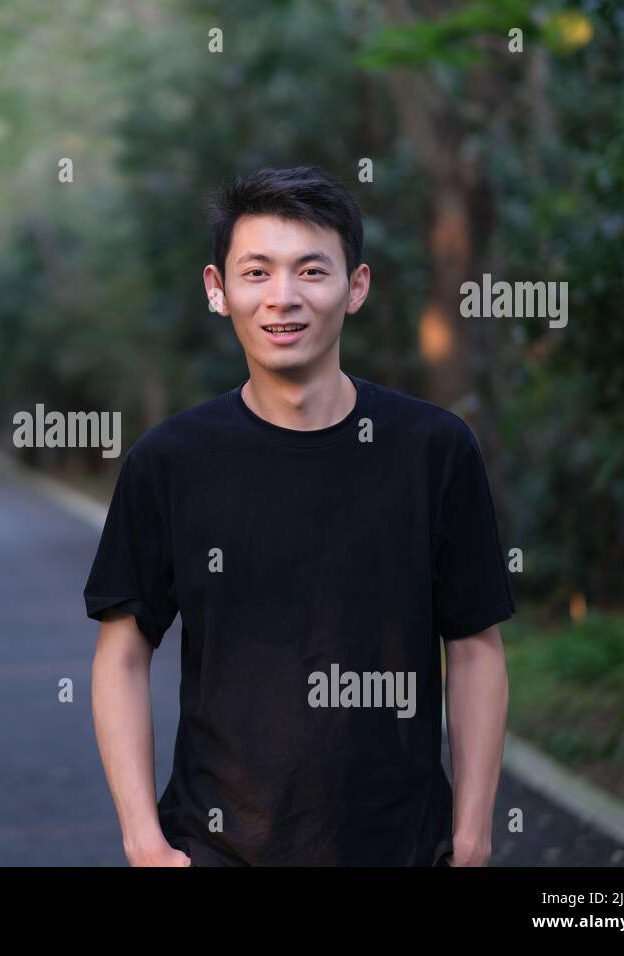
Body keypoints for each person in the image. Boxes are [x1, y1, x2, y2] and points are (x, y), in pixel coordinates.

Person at [83, 165, 514, 867]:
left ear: (358, 286)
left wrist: (470, 834)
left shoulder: (432, 450)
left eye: (312, 271)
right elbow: (123, 654)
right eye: (256, 273)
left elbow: (473, 649)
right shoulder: (170, 461)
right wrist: (141, 838)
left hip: (404, 848)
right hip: (219, 846)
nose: (283, 298)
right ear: (217, 291)